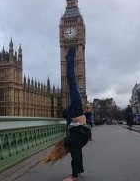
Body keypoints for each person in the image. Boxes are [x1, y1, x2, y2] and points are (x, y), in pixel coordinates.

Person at [63, 46, 91, 181]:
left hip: (76, 111)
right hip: (76, 111)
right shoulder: (74, 139)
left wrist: (72, 177)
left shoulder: (75, 140)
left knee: (71, 79)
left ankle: (76, 172)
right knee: (71, 80)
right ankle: (70, 58)